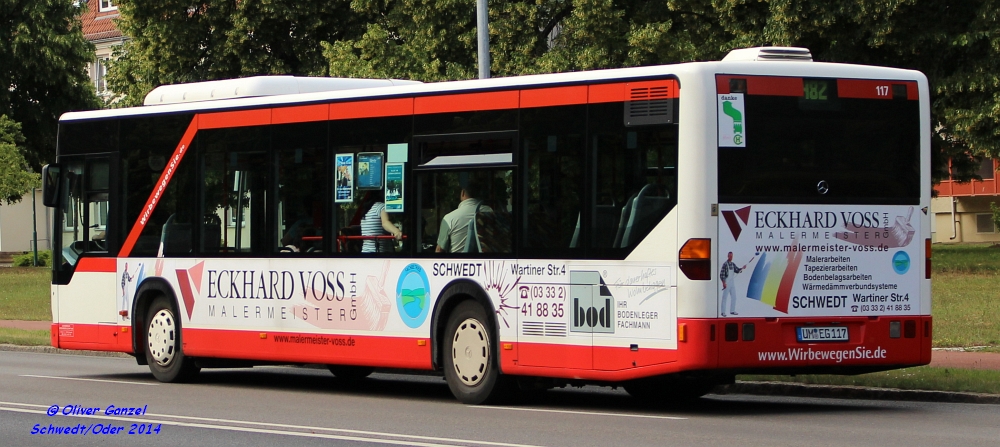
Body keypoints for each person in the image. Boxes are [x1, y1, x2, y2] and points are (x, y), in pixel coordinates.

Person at [436, 176, 491, 253]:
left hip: (456, 264)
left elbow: (439, 250)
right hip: (487, 263)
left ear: (463, 193)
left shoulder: (449, 218)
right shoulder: (489, 212)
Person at [720, 251, 746, 317]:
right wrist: (723, 283)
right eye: (730, 256)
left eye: (732, 256)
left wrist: (742, 268)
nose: (731, 257)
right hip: (727, 282)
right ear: (728, 256)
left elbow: (737, 270)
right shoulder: (725, 264)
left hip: (732, 283)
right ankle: (723, 312)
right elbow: (721, 274)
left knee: (734, 297)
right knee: (724, 298)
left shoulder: (732, 264)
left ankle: (732, 311)